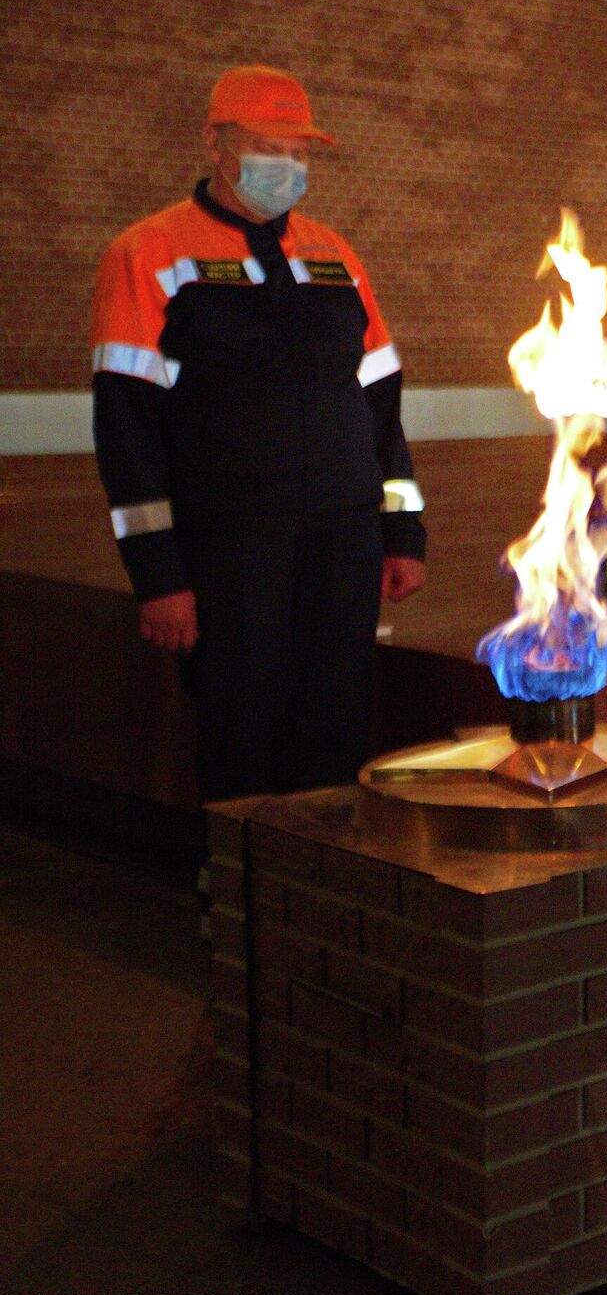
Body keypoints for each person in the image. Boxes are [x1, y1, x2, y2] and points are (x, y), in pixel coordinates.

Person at [90, 65, 427, 801]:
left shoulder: (336, 256)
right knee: (242, 741)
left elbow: (379, 405)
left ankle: (318, 905)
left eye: (300, 151)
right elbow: (126, 430)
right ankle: (239, 911)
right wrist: (159, 577)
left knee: (336, 737)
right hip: (232, 547)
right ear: (216, 144)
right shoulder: (147, 255)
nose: (288, 166)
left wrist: (402, 532)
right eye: (268, 146)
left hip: (344, 543)